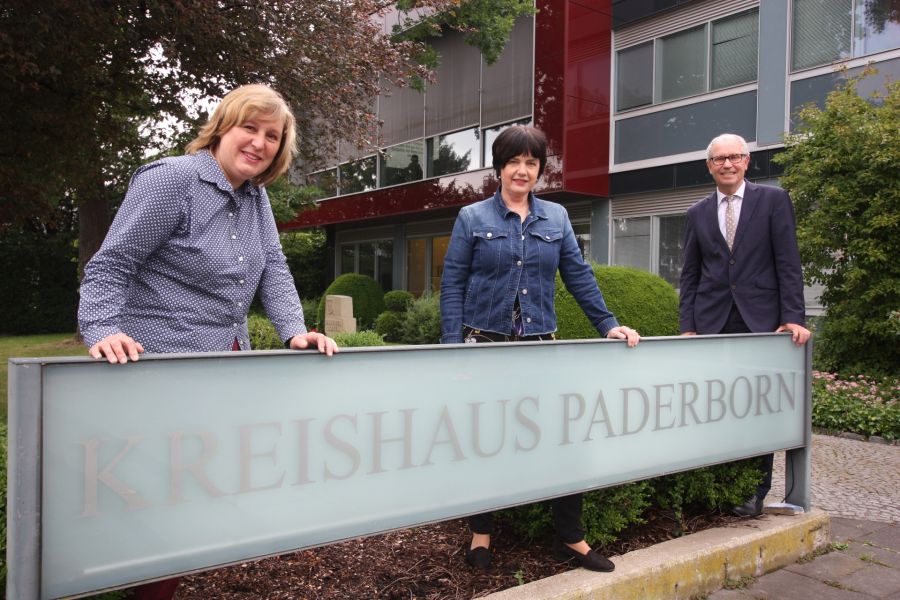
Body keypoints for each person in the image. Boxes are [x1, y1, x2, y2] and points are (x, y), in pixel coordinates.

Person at [78, 84, 337, 599]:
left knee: (192, 492)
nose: (260, 143)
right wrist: (103, 329)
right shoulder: (172, 180)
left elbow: (274, 270)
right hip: (158, 368)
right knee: (157, 499)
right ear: (222, 127)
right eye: (250, 128)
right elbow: (112, 263)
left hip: (223, 367)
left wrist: (294, 330)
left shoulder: (255, 197)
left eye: (272, 135)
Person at [440, 125, 640, 573]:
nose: (522, 170)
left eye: (532, 163)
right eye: (514, 161)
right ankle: (481, 532)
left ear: (540, 169)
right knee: (485, 441)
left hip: (539, 346)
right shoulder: (473, 218)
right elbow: (452, 285)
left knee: (564, 439)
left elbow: (578, 275)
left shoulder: (557, 218)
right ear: (500, 167)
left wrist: (607, 324)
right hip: (483, 345)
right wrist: (451, 350)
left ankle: (571, 537)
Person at [679, 133, 810, 518]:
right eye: (719, 159)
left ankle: (753, 491)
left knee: (757, 408)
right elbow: (690, 275)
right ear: (710, 166)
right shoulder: (696, 212)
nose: (727, 164)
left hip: (762, 322)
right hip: (712, 322)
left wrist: (793, 317)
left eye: (734, 157)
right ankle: (715, 486)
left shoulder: (773, 201)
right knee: (713, 406)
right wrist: (687, 327)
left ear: (747, 161)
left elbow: (788, 262)